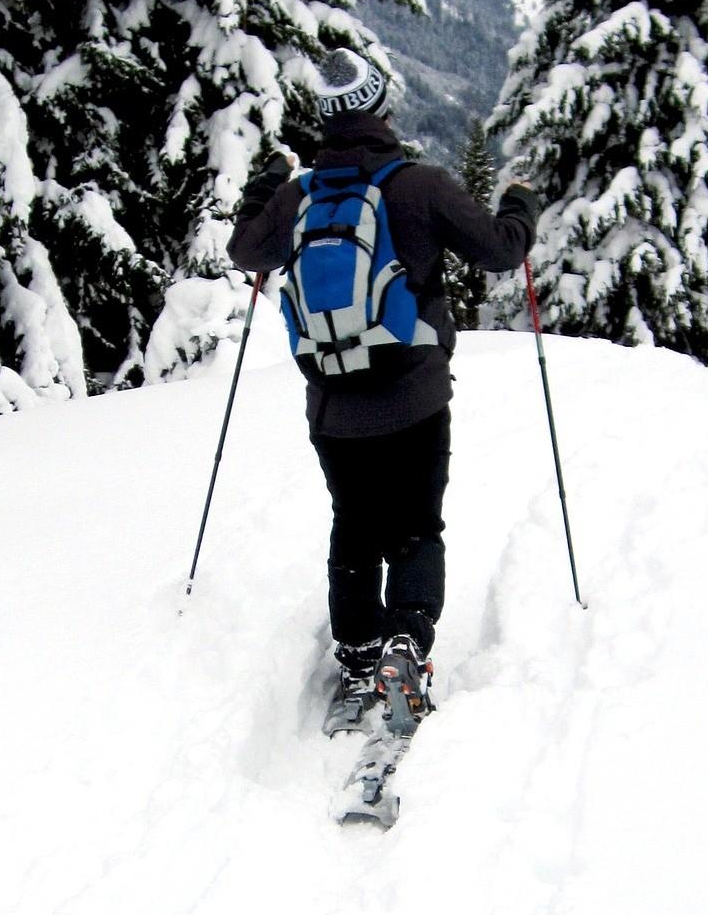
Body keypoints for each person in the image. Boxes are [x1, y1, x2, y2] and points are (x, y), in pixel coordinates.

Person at [229, 46, 538, 735]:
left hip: (333, 405)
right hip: (415, 395)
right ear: (380, 108)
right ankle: (407, 643)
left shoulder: (298, 196)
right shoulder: (420, 185)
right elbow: (498, 251)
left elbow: (248, 253)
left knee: (354, 528)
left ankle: (359, 655)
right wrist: (520, 205)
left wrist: (265, 184)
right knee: (416, 526)